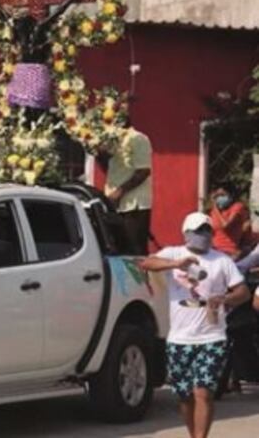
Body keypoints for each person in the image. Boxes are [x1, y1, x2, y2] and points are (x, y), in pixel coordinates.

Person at [140, 212, 250, 438]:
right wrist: (176, 264)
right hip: (180, 339)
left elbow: (243, 292)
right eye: (199, 231)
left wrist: (225, 299)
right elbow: (146, 263)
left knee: (204, 393)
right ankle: (194, 434)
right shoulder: (174, 253)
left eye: (207, 230)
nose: (204, 235)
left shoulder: (222, 261)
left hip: (212, 337)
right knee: (184, 396)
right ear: (187, 233)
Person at [104, 123, 153, 256]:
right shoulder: (112, 140)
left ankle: (140, 276)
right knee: (118, 248)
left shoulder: (138, 138)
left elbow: (143, 171)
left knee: (135, 250)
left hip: (134, 204)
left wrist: (120, 192)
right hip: (114, 202)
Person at [208, 184, 253, 258]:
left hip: (229, 252)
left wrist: (215, 208)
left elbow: (225, 225)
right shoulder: (214, 212)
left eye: (222, 195)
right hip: (213, 250)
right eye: (217, 196)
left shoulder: (237, 207)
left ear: (231, 195)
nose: (219, 198)